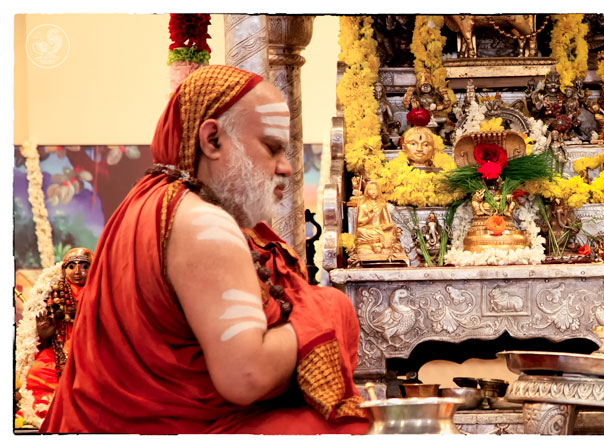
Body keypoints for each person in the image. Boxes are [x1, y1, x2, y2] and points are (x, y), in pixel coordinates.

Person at [41, 65, 369, 434]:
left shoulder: (148, 203)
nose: (286, 167)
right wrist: (329, 311)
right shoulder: (203, 223)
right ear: (212, 140)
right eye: (272, 148)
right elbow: (247, 375)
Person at [15, 248, 93, 428]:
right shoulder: (54, 293)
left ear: (94, 268)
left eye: (84, 266)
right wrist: (44, 336)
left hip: (93, 355)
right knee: (38, 371)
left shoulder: (102, 293)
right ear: (64, 269)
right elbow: (42, 342)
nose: (78, 271)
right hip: (58, 354)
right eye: (71, 266)